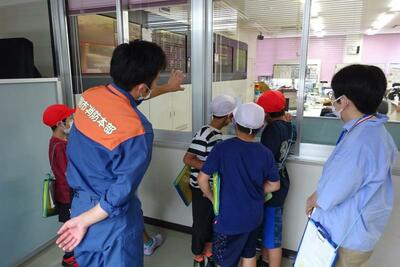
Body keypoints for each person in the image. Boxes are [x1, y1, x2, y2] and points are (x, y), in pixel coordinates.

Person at [56, 40, 184, 267]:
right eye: (156, 80)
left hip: (80, 205)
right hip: (110, 218)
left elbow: (125, 102)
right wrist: (86, 221)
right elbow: (121, 190)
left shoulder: (90, 97)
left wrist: (82, 218)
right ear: (143, 88)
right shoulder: (138, 131)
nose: (156, 84)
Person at [305, 64, 398, 267]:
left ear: (344, 101)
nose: (334, 102)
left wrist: (313, 199)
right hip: (361, 230)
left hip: (345, 236)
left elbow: (333, 192)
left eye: (335, 96)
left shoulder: (360, 141)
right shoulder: (376, 132)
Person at [197, 103, 281, 267]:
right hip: (254, 216)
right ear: (261, 126)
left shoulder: (222, 148)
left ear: (234, 122)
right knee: (249, 254)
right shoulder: (265, 153)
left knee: (223, 261)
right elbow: (275, 185)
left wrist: (212, 197)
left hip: (228, 220)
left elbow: (202, 179)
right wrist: (256, 191)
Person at [183, 95, 237, 267]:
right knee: (200, 223)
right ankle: (198, 256)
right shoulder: (205, 133)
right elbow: (188, 159)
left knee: (209, 221)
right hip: (200, 188)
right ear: (229, 117)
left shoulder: (217, 135)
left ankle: (208, 252)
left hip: (212, 188)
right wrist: (210, 167)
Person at [256, 91, 296, 267]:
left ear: (265, 114)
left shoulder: (271, 130)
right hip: (282, 179)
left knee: (272, 232)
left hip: (271, 184)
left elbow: (265, 160)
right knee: (269, 227)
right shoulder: (289, 126)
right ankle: (264, 260)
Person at [42, 104, 78, 267]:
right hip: (67, 196)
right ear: (59, 123)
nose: (72, 121)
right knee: (72, 228)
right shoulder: (58, 146)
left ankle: (74, 255)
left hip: (69, 193)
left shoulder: (61, 141)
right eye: (69, 119)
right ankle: (69, 257)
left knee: (74, 225)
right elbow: (67, 174)